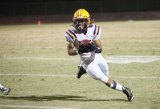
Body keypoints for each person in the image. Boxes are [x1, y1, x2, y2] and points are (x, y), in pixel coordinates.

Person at [64, 9, 134, 101]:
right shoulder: (71, 34)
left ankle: (82, 69)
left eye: (82, 21)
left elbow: (99, 48)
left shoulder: (94, 30)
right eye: (77, 21)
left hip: (97, 57)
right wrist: (79, 51)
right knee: (105, 79)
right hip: (88, 62)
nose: (79, 24)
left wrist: (94, 48)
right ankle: (125, 89)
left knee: (106, 75)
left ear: (87, 21)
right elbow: (69, 52)